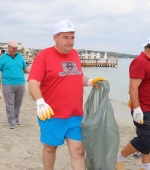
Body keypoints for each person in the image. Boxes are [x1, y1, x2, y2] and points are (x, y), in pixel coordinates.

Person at [28, 20, 103, 170]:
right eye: (66, 37)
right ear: (55, 38)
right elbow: (33, 82)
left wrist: (90, 82)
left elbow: (76, 76)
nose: (70, 42)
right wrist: (40, 102)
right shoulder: (44, 56)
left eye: (72, 37)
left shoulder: (75, 54)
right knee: (50, 148)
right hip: (51, 114)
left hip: (75, 114)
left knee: (79, 151)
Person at [116, 35, 150, 170]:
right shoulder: (140, 61)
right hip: (145, 108)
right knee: (144, 139)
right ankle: (119, 158)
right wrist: (137, 109)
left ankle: (145, 165)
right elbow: (133, 87)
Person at [0, 40, 30, 129]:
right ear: (8, 47)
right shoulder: (3, 58)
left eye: (16, 48)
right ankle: (11, 120)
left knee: (18, 103)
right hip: (7, 84)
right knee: (9, 103)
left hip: (21, 83)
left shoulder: (20, 57)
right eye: (13, 48)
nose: (15, 50)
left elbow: (25, 68)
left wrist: (34, 72)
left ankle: (16, 117)